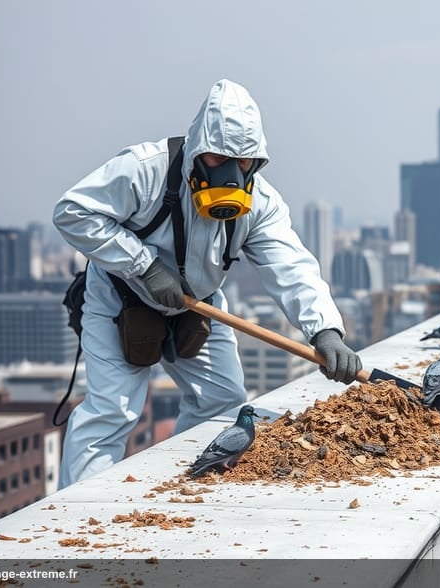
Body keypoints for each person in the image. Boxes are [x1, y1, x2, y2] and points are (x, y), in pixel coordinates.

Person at [53, 79, 361, 487]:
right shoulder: (146, 172)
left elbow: (291, 265)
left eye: (244, 162)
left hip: (197, 304)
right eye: (218, 159)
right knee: (113, 410)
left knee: (222, 399)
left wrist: (324, 328)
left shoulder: (261, 204)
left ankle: (180, 485)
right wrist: (143, 265)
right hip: (119, 298)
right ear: (198, 151)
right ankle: (76, 518)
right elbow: (73, 211)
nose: (233, 174)